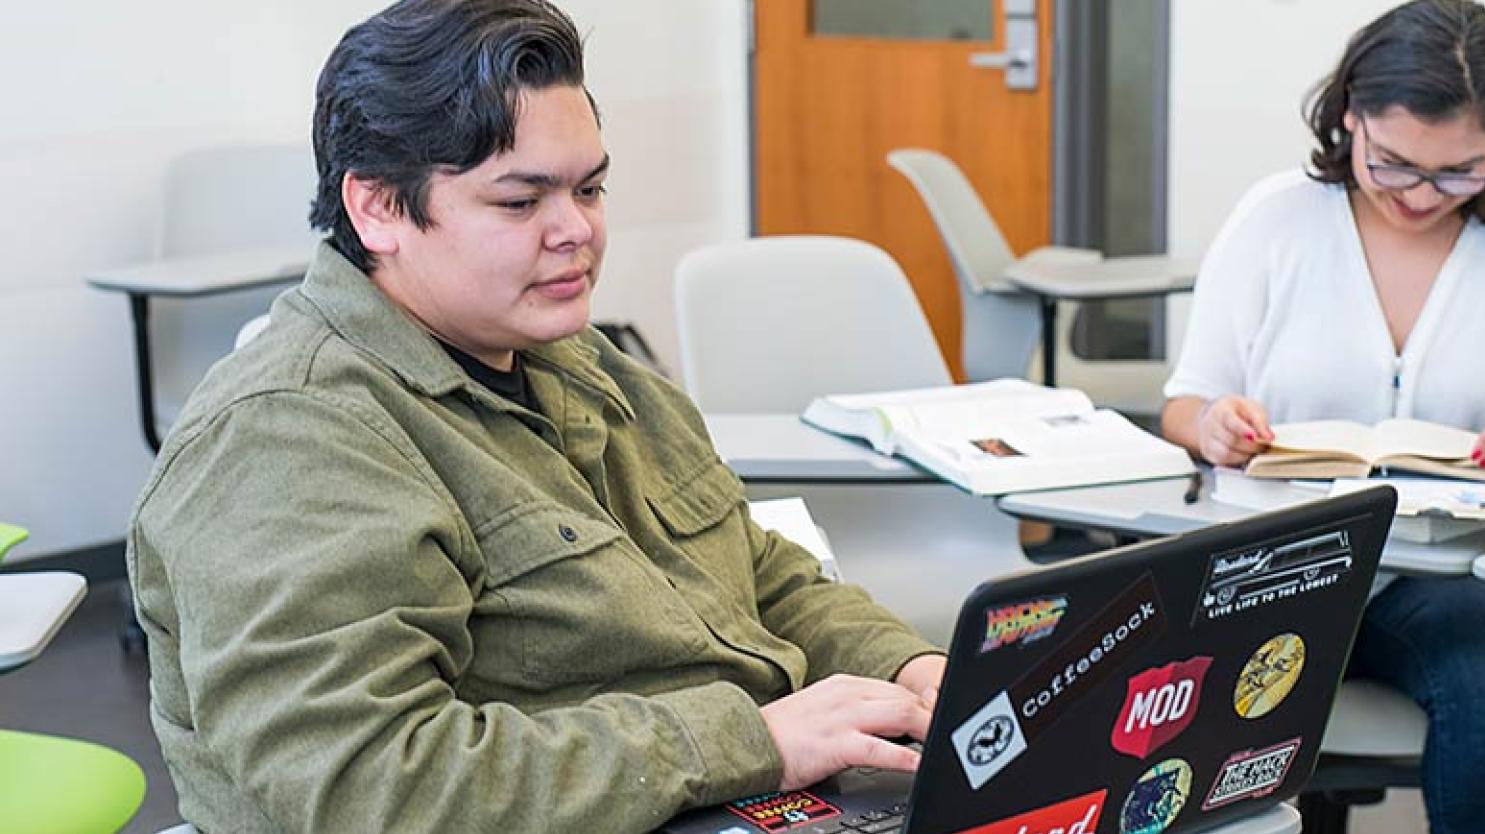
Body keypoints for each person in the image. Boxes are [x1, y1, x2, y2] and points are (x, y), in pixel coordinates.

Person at [127, 2, 945, 831]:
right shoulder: (285, 440)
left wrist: (908, 667)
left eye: (589, 188)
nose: (577, 232)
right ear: (377, 209)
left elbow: (756, 571)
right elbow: (367, 788)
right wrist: (747, 740)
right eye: (521, 203)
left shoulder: (574, 360)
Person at [1160, 2, 1485, 832]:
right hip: (1281, 560)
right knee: (1179, 701)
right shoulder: (1275, 218)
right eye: (1392, 164)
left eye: (1460, 171)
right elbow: (1184, 404)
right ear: (1349, 115)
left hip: (1460, 578)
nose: (1422, 196)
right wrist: (1212, 424)